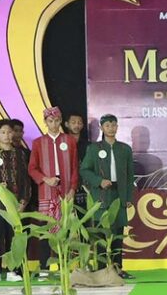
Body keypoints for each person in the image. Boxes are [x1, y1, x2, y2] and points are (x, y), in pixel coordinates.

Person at [80, 114, 135, 279]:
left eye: (114, 125)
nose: (111, 128)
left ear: (117, 127)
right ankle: (102, 269)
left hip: (119, 194)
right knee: (101, 233)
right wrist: (99, 181)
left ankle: (117, 268)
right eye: (107, 126)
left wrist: (128, 197)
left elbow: (130, 175)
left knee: (118, 233)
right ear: (102, 128)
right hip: (102, 194)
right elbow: (84, 170)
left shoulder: (125, 149)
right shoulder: (94, 148)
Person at [29, 106, 79, 275]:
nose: (54, 124)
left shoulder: (69, 141)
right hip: (46, 191)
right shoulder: (38, 142)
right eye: (50, 121)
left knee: (65, 229)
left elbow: (75, 168)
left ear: (61, 121)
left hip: (65, 191)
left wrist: (73, 188)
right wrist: (45, 179)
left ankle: (64, 267)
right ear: (45, 122)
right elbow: (32, 168)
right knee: (45, 230)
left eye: (57, 121)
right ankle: (44, 269)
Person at [0, 119, 31, 282]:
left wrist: (23, 201)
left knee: (13, 238)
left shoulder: (20, 154)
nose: (7, 135)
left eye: (9, 132)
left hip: (15, 205)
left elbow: (26, 180)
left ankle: (12, 271)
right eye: (3, 132)